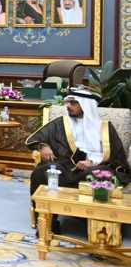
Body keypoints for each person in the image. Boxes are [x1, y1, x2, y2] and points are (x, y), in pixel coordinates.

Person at [27, 87, 130, 232]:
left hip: (93, 168)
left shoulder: (105, 127)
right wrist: (43, 146)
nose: (68, 106)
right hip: (64, 165)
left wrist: (92, 162)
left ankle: (98, 222)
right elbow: (36, 138)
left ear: (86, 105)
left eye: (73, 103)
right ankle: (48, 221)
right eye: (68, 102)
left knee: (98, 174)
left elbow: (116, 154)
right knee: (43, 171)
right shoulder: (60, 123)